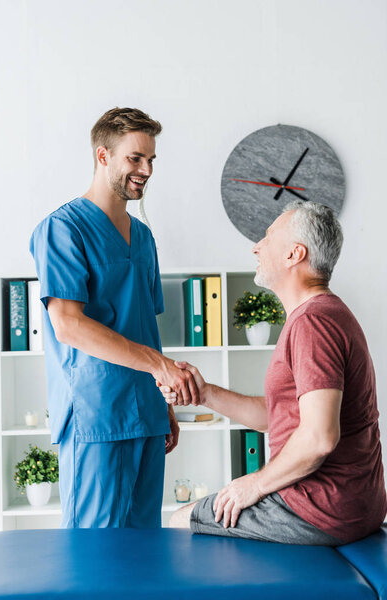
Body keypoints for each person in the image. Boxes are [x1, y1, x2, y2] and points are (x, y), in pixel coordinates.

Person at [159, 200, 387, 545]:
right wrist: (205, 393)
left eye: (268, 237)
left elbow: (319, 438)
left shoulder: (314, 322)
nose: (257, 246)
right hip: (351, 505)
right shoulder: (322, 314)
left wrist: (252, 485)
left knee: (178, 520)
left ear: (294, 254)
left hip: (320, 508)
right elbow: (279, 417)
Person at [30, 107, 199, 528]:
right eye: (135, 158)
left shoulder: (142, 237)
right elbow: (68, 324)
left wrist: (164, 399)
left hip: (146, 412)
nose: (146, 170)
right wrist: (161, 367)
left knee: (144, 548)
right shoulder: (63, 229)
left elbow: (145, 324)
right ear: (103, 156)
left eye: (151, 160)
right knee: (95, 553)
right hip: (96, 416)